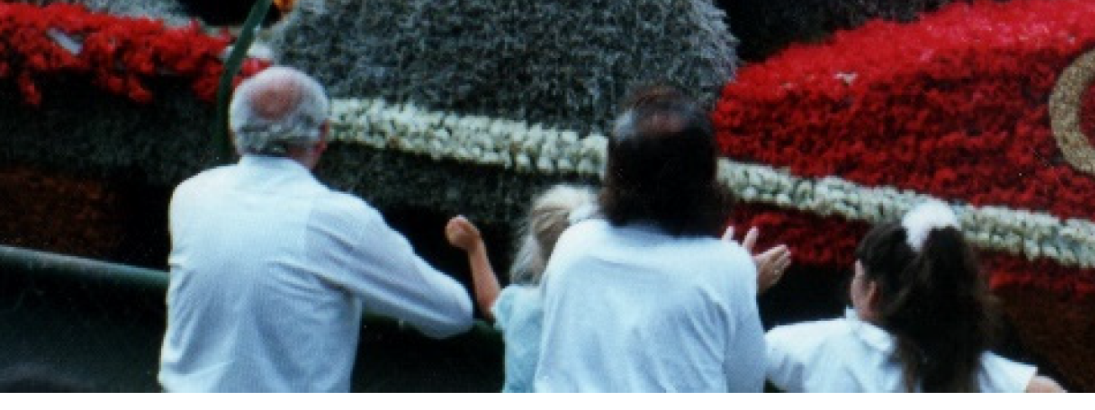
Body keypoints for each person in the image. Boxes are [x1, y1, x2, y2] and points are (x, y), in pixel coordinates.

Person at [157, 66, 478, 392]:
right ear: (322, 135)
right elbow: (453, 312)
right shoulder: (337, 218)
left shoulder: (191, 195)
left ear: (234, 131)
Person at [533, 86, 791, 392]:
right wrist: (738, 286)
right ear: (704, 179)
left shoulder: (574, 243)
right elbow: (744, 387)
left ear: (615, 172)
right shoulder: (728, 267)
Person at [764, 203, 1064, 393]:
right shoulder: (969, 369)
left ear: (872, 292)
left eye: (857, 275)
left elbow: (741, 353)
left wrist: (746, 286)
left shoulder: (827, 345)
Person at [446, 184, 594, 393]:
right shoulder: (602, 316)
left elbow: (490, 304)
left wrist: (475, 249)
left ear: (533, 247)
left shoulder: (521, 305)